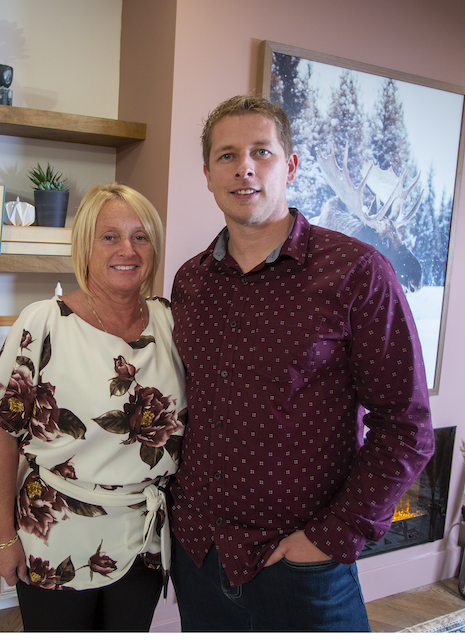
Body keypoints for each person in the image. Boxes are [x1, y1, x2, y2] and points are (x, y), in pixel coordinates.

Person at [168, 95, 434, 631]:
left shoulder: (357, 272)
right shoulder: (190, 282)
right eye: (226, 156)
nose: (244, 167)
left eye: (260, 152)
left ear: (288, 166)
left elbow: (406, 427)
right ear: (207, 174)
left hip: (302, 565)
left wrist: (328, 539)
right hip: (200, 554)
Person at [0, 183, 186, 631]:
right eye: (109, 236)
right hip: (56, 534)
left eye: (140, 236)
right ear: (85, 247)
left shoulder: (172, 321)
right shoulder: (44, 322)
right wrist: (0, 538)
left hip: (142, 540)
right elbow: (1, 436)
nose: (126, 249)